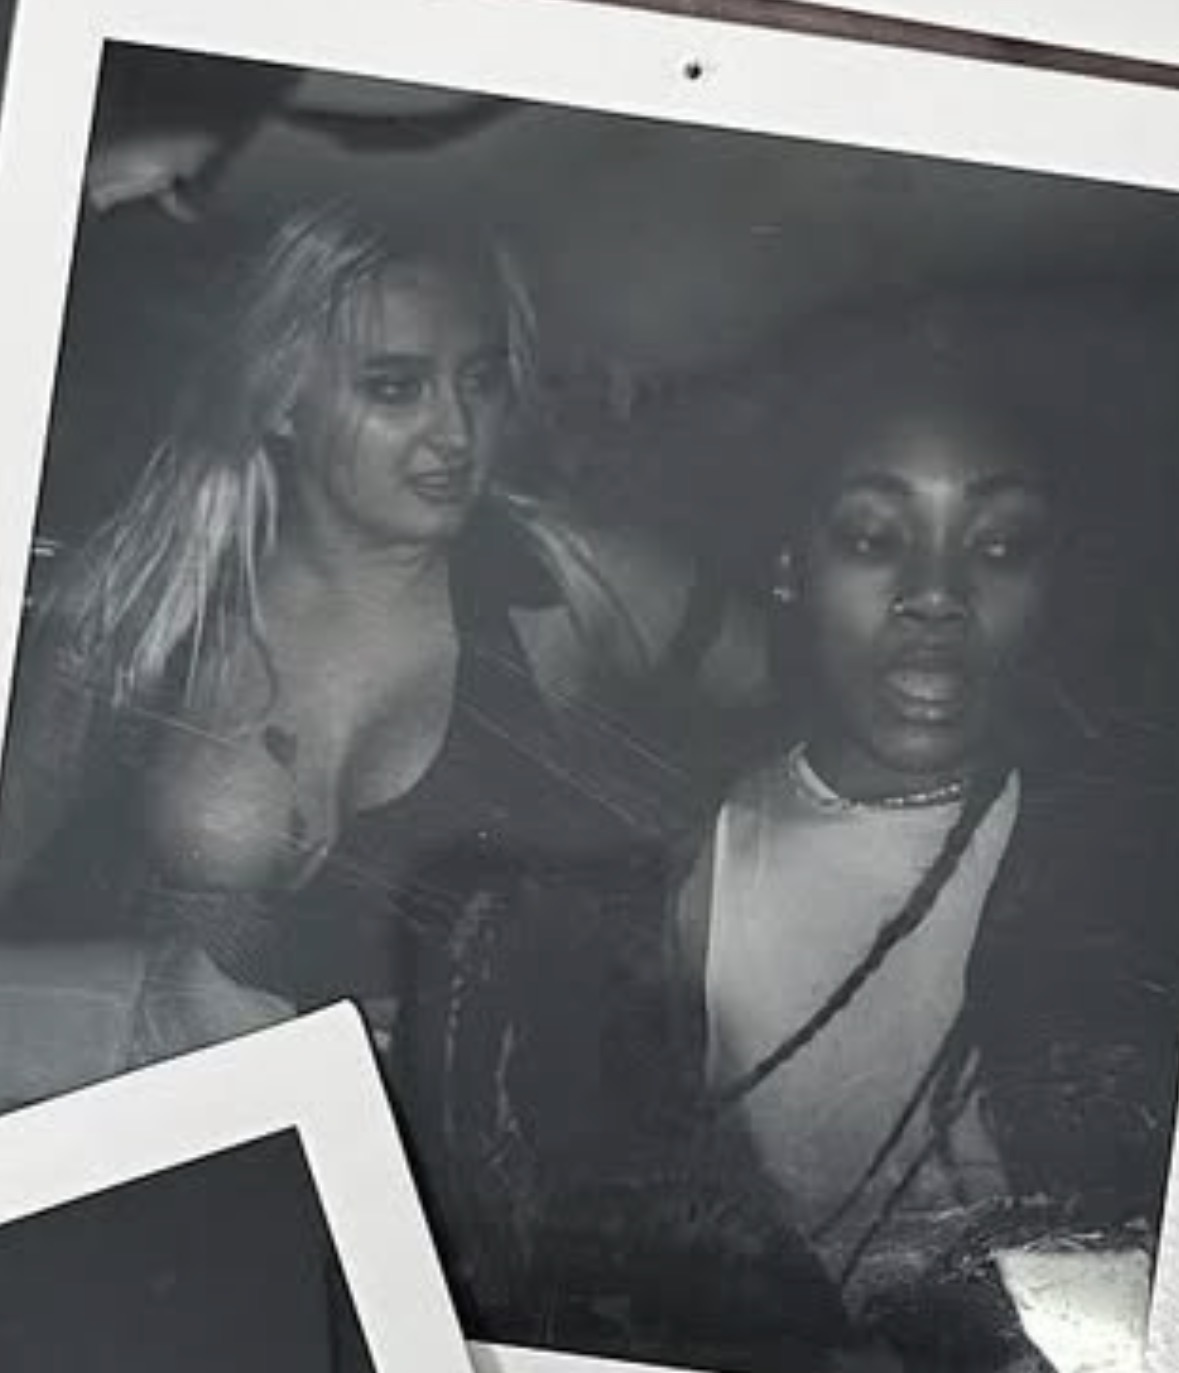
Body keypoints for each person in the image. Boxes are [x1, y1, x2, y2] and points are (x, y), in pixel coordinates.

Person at [0, 201, 773, 1349]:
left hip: (467, 1218)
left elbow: (817, 695)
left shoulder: (569, 589)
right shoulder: (134, 615)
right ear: (279, 397)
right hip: (182, 1190)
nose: (456, 431)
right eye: (397, 386)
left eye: (481, 380)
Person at [674, 301, 1179, 1368]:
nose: (937, 593)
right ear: (789, 563)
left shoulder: (1126, 870)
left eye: (999, 544)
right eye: (873, 537)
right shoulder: (691, 863)